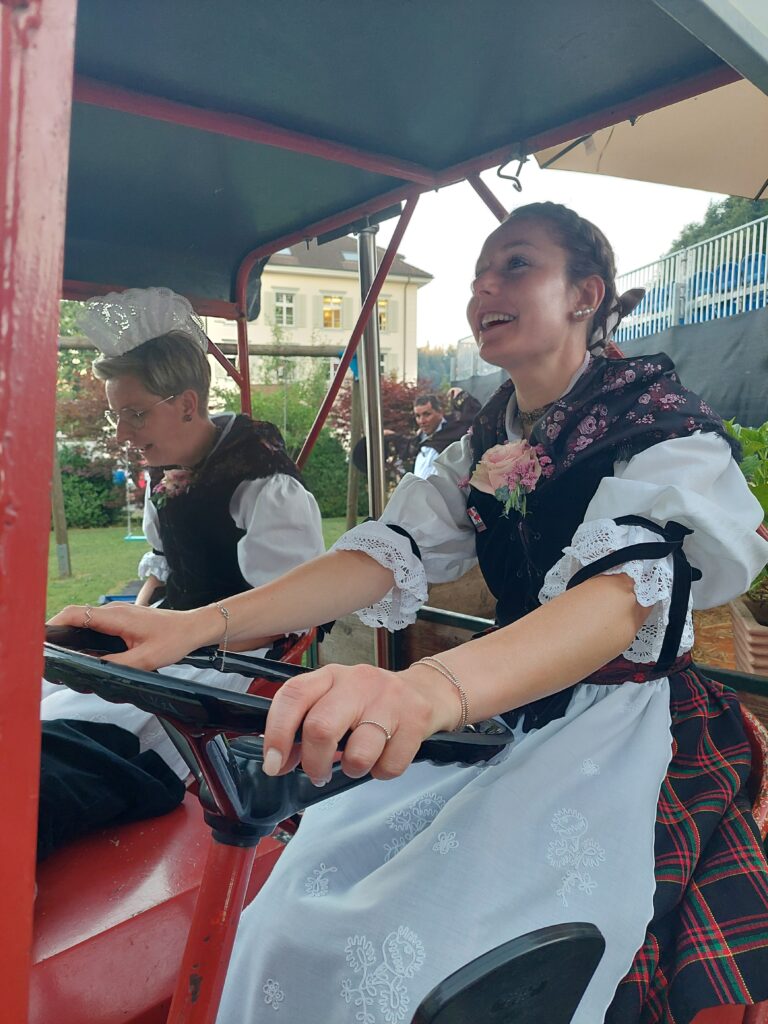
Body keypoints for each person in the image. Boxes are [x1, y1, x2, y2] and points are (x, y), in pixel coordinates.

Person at [50, 206, 768, 1023]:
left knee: (429, 950)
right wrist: (199, 626)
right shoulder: (483, 442)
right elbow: (380, 554)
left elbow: (615, 601)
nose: (484, 288)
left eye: (516, 265)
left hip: (622, 724)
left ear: (585, 295)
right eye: (477, 275)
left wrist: (425, 691)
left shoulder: (663, 433)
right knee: (293, 909)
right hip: (502, 707)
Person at [40, 286, 324, 858]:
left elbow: (288, 615)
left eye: (135, 414)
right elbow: (165, 566)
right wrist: (136, 616)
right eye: (117, 415)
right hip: (173, 633)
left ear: (188, 404)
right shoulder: (165, 474)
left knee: (104, 727)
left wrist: (180, 641)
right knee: (53, 677)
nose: (122, 433)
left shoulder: (264, 485)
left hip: (232, 656)